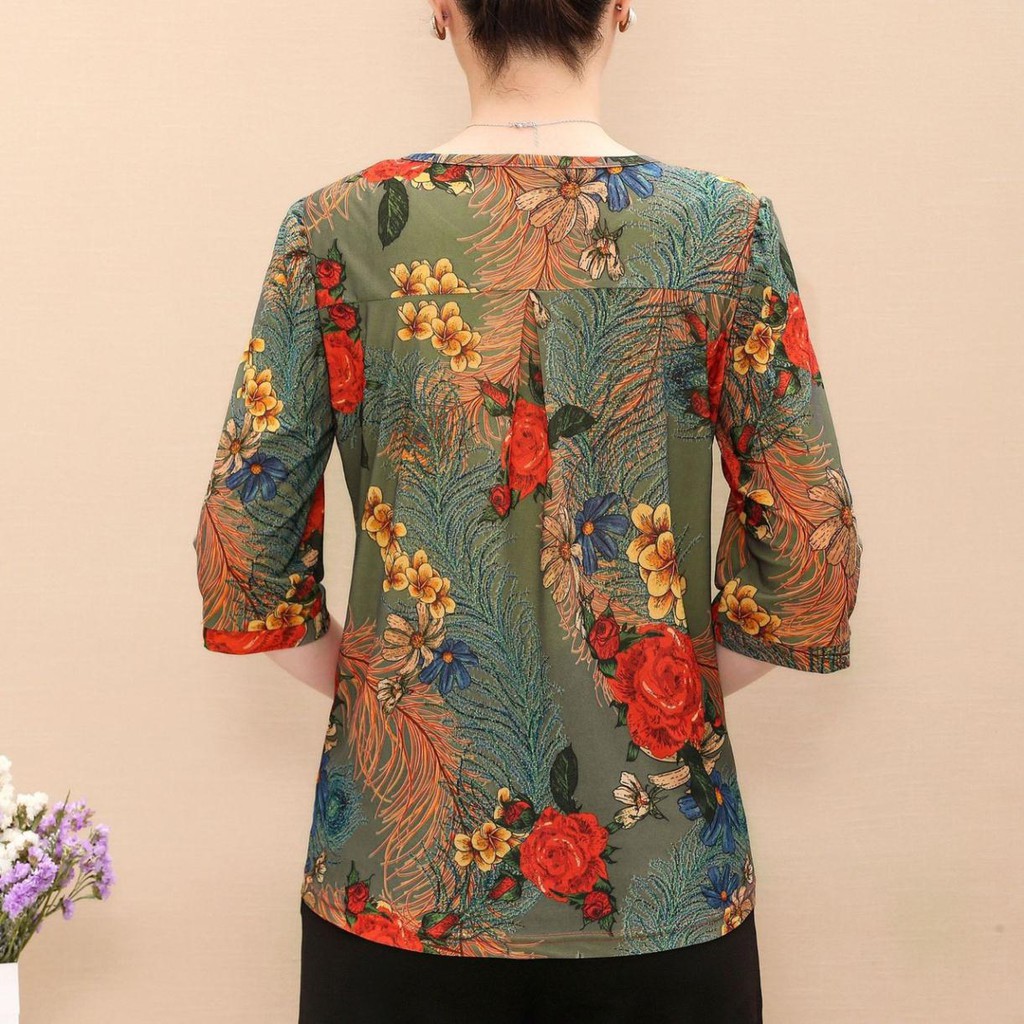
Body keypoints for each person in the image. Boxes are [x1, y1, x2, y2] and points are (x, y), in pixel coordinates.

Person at [191, 1, 863, 1020]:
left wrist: (386, 689)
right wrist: (667, 690)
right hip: (666, 879)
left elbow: (243, 541)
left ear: (442, 10)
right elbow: (812, 549)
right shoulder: (724, 231)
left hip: (397, 880)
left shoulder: (336, 230)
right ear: (621, 7)